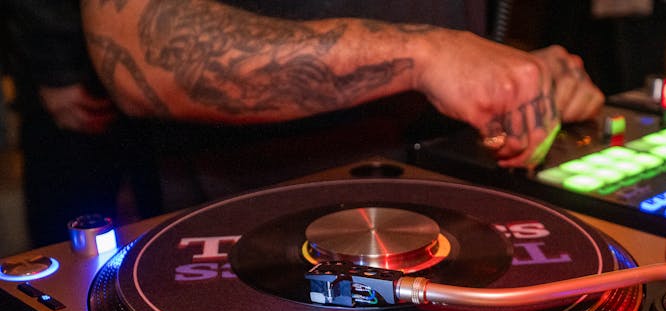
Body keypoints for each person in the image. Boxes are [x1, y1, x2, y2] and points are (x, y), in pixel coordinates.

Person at [79, 0, 605, 169]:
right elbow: (137, 51)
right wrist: (424, 55)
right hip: (248, 225)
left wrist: (516, 71)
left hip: (440, 188)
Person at [2, 0, 163, 247]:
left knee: (159, 235)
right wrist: (56, 71)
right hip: (77, 75)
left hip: (151, 76)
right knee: (71, 237)